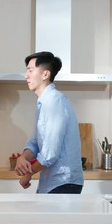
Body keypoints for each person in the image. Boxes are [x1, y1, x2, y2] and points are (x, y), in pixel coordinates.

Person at [14, 51, 84, 194]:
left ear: (45, 74)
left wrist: (28, 173)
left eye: (30, 70)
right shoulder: (44, 103)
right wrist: (22, 158)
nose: (26, 75)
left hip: (64, 183)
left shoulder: (54, 102)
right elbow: (34, 142)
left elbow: (49, 153)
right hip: (53, 183)